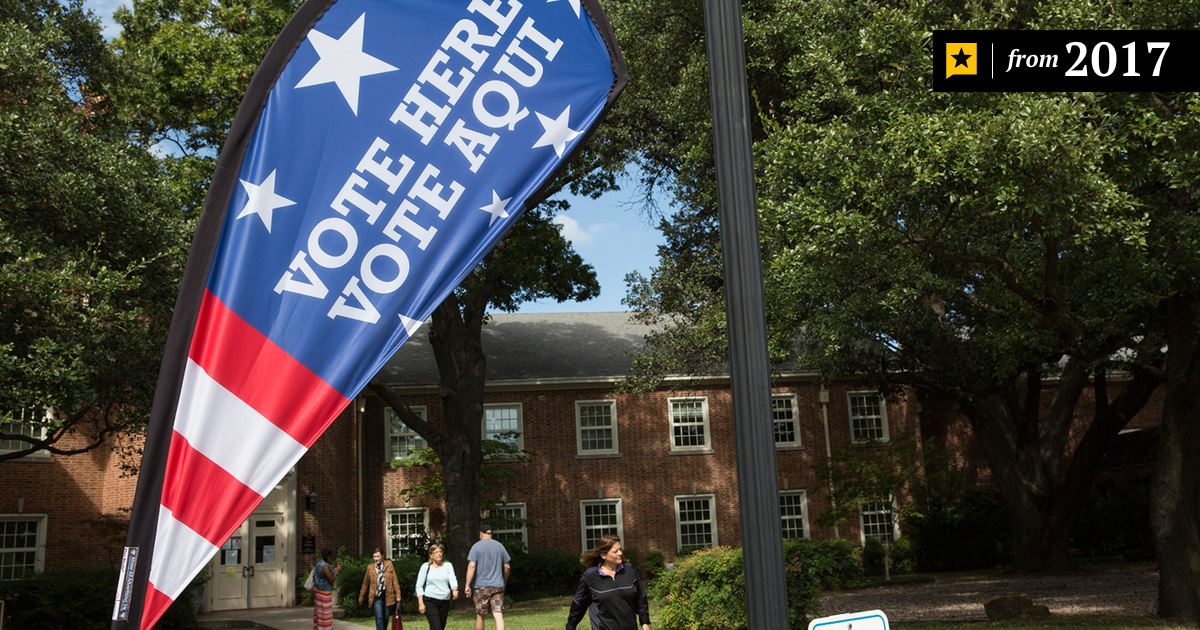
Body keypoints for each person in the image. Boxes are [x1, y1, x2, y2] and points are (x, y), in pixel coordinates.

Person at [566, 535, 650, 630]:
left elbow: (641, 598)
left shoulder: (630, 570)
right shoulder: (590, 576)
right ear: (603, 555)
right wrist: (570, 626)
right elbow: (578, 605)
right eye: (615, 551)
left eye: (620, 549)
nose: (620, 553)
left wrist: (645, 622)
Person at [464, 524, 511, 630]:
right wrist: (504, 579)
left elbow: (472, 566)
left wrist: (467, 585)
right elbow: (507, 567)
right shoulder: (500, 546)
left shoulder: (476, 547)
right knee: (498, 614)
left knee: (480, 615)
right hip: (498, 586)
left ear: (481, 534)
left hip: (481, 586)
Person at [416, 543, 459, 630]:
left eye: (440, 551)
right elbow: (419, 586)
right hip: (430, 600)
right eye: (436, 552)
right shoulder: (425, 567)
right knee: (436, 627)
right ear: (431, 555)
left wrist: (454, 589)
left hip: (444, 600)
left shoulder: (448, 566)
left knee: (441, 627)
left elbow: (452, 579)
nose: (439, 554)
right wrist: (421, 603)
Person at [358, 547, 401, 630]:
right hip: (377, 597)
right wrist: (361, 596)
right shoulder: (370, 568)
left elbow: (394, 580)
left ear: (382, 556)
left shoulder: (389, 565)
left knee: (385, 618)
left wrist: (398, 594)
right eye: (374, 557)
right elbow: (365, 583)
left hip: (388, 595)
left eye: (378, 556)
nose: (376, 559)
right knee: (379, 618)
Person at [312, 548, 342, 630]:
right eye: (330, 557)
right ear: (328, 556)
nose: (331, 558)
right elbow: (331, 580)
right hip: (324, 593)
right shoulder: (325, 566)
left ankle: (319, 628)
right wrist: (337, 571)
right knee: (325, 615)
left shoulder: (318, 564)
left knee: (319, 614)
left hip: (318, 592)